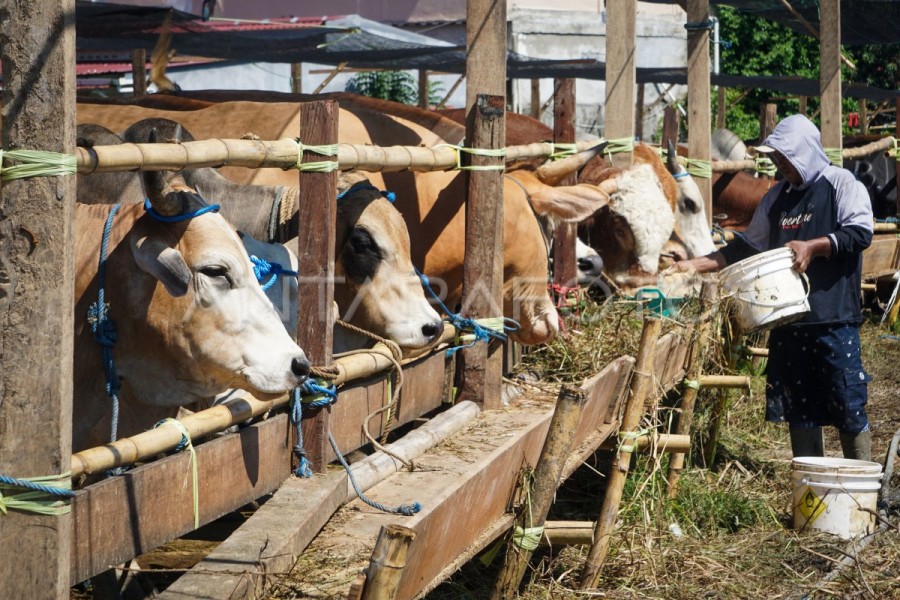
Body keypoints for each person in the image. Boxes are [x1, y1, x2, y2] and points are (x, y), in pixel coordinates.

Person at [672, 114, 874, 461]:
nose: (780, 166)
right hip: (787, 321)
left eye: (785, 158)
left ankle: (862, 485)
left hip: (832, 319)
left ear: (805, 152)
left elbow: (860, 233)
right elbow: (746, 246)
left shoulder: (840, 183)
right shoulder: (777, 196)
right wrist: (694, 264)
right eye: (776, 159)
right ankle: (810, 485)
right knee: (800, 408)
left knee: (848, 403)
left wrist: (813, 246)